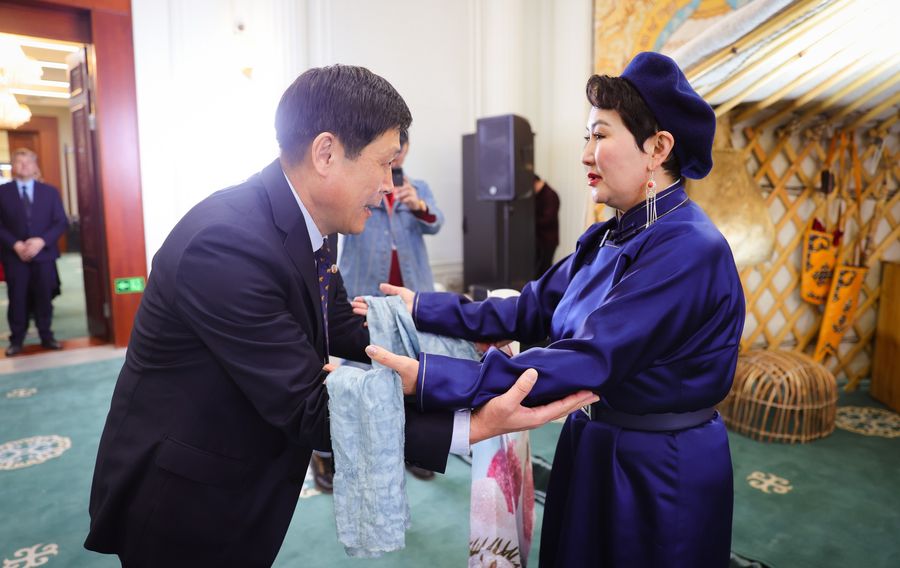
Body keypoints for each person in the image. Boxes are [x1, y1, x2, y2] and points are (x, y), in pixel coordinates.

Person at [84, 65, 596, 567]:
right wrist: (473, 425)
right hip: (185, 497)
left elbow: (344, 327)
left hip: (244, 471)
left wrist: (457, 352)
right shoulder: (226, 246)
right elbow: (310, 409)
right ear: (326, 153)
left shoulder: (314, 223)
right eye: (384, 163)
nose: (390, 185)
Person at [362, 52, 745, 567]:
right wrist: (421, 308)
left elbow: (589, 357)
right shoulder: (607, 236)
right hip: (592, 441)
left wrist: (433, 378)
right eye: (587, 136)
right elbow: (528, 310)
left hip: (657, 468)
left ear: (658, 148)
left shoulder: (689, 249)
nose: (585, 155)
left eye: (600, 136)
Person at [328, 129, 443, 483]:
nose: (397, 154)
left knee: (412, 365)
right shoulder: (361, 183)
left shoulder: (418, 186)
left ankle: (412, 446)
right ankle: (333, 451)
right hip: (365, 288)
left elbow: (436, 223)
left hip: (410, 290)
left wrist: (418, 206)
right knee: (359, 365)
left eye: (401, 148)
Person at [0, 148, 68, 356]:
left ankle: (46, 336)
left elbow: (61, 221)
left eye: (28, 162)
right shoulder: (3, 192)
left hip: (44, 254)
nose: (24, 166)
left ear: (35, 166)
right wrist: (15, 244)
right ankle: (17, 340)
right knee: (17, 297)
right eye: (19, 162)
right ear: (13, 166)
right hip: (14, 256)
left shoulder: (50, 192)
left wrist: (41, 241)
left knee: (44, 296)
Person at [533, 174, 560, 277]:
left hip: (548, 241)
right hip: (540, 240)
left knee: (544, 271)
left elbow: (549, 219)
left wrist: (530, 222)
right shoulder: (539, 195)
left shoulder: (550, 195)